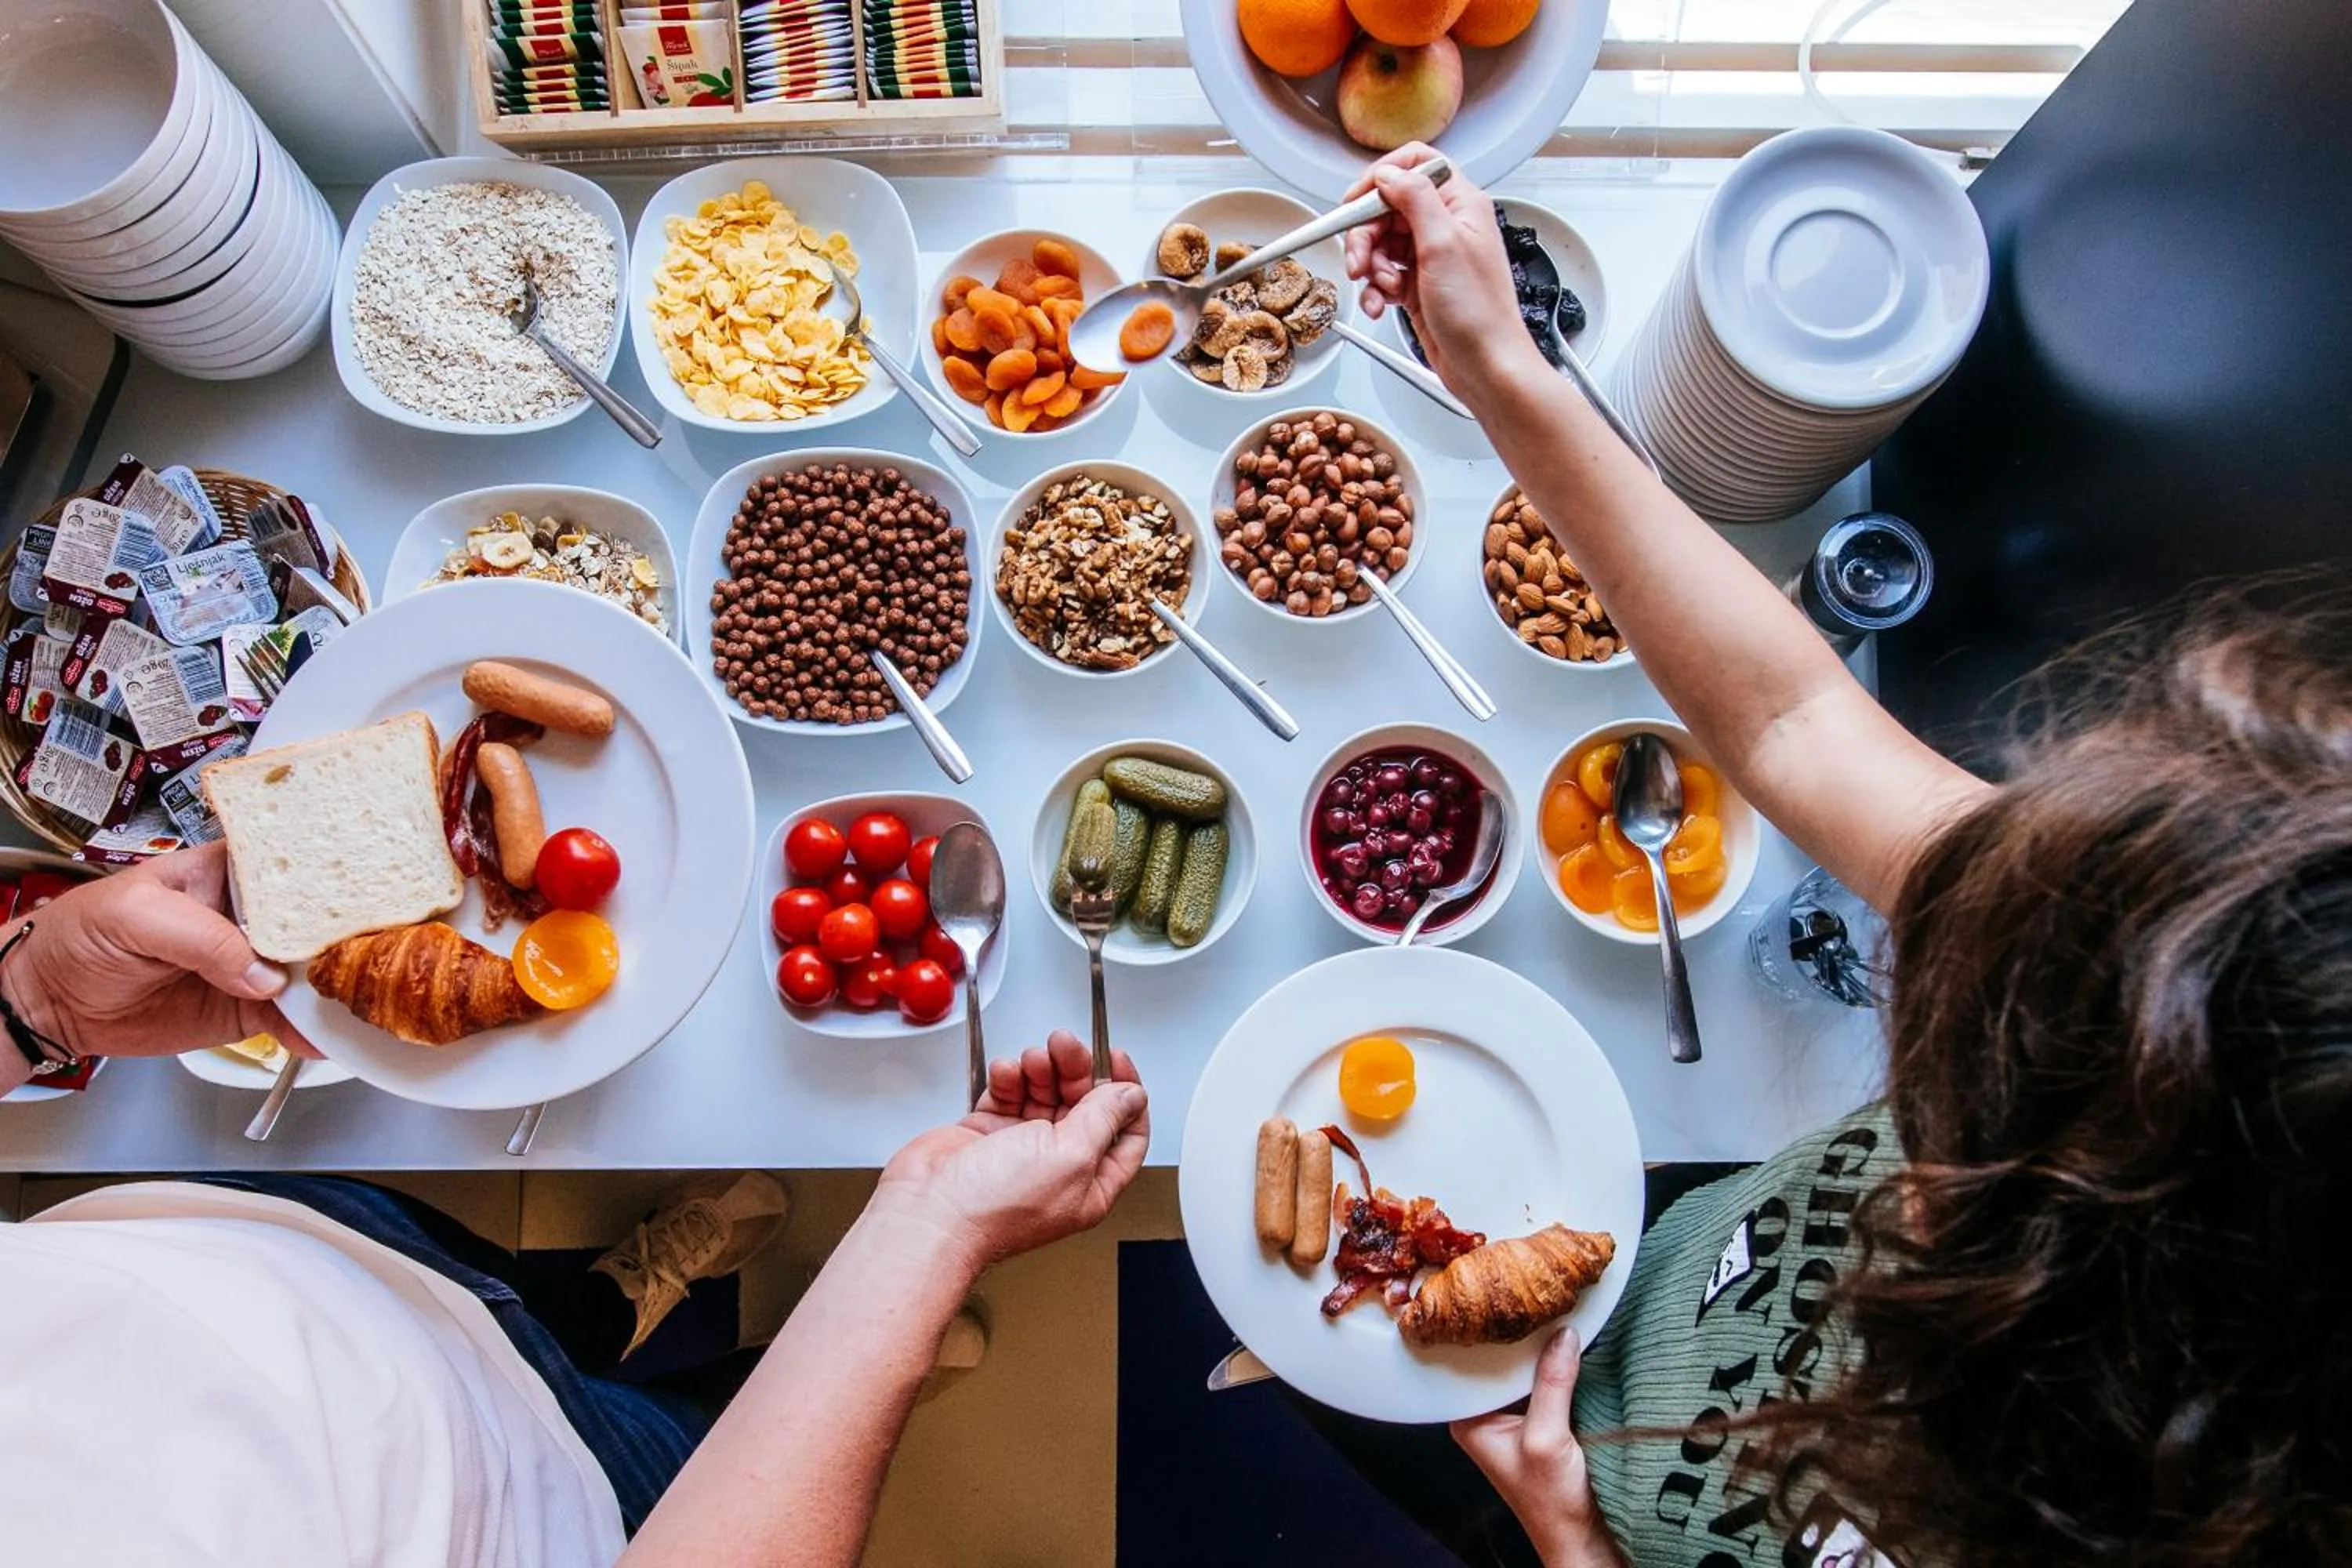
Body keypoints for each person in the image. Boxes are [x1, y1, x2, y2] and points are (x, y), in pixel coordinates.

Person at [1341, 144, 2352, 1567]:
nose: (1923, 997)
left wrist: (1575, 1547)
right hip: (1656, 1292)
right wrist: (1504, 369)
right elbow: (1798, 715)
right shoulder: (2195, 960)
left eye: (1972, 1092)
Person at [0, 844, 1150, 1566]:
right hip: (542, 1510)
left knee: (534, 1314)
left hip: (318, 1259)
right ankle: (828, 1359)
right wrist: (922, 1242)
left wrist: (30, 1000)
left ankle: (619, 1296)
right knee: (691, 1435)